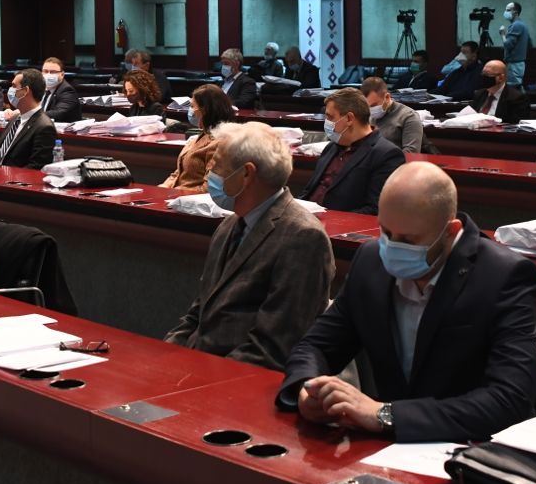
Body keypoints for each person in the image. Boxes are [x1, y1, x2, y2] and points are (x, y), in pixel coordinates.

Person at [277, 164, 536, 442]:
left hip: (473, 448)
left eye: (408, 240)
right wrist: (308, 388)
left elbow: (510, 399)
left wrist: (385, 415)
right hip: (388, 450)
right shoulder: (371, 260)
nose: (391, 246)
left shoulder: (502, 276)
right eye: (386, 232)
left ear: (450, 232)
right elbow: (317, 345)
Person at [166, 122, 335, 369]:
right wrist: (165, 358)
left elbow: (273, 347)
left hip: (238, 380)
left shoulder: (303, 238)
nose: (210, 171)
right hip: (199, 367)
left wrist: (195, 377)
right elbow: (198, 314)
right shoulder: (229, 224)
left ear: (246, 174)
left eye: (218, 164)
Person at [299, 87, 406, 214]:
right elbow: (309, 191)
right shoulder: (331, 147)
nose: (326, 122)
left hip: (338, 226)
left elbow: (375, 210)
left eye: (330, 117)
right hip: (306, 218)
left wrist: (328, 217)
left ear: (349, 119)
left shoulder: (387, 155)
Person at [161, 84, 236, 193]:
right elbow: (179, 173)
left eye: (192, 106)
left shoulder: (219, 143)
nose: (190, 111)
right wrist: (161, 189)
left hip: (190, 202)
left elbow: (209, 189)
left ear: (204, 110)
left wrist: (175, 195)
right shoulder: (199, 137)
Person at [0, 68, 57, 168]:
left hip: (10, 180)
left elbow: (35, 168)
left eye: (13, 86)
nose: (10, 90)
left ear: (25, 91)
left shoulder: (44, 127)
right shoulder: (15, 118)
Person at [362, 75, 424, 153]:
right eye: (368, 106)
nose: (371, 110)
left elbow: (412, 152)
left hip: (395, 163)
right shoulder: (367, 115)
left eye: (374, 105)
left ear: (387, 97)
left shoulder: (409, 116)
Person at [470, 57, 527, 124]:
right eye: (483, 74)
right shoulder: (479, 94)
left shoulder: (516, 98)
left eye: (487, 74)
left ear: (500, 78)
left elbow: (514, 124)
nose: (483, 77)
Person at [36, 55, 82, 123]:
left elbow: (58, 113)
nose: (48, 75)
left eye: (53, 72)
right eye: (45, 71)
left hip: (64, 131)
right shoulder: (41, 88)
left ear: (62, 74)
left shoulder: (67, 90)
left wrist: (32, 115)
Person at [498, 2, 531, 86]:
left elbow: (508, 45)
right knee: (517, 88)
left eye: (508, 10)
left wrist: (502, 34)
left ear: (515, 12)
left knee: (513, 90)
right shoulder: (522, 24)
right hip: (518, 63)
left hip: (514, 64)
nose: (505, 12)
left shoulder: (516, 25)